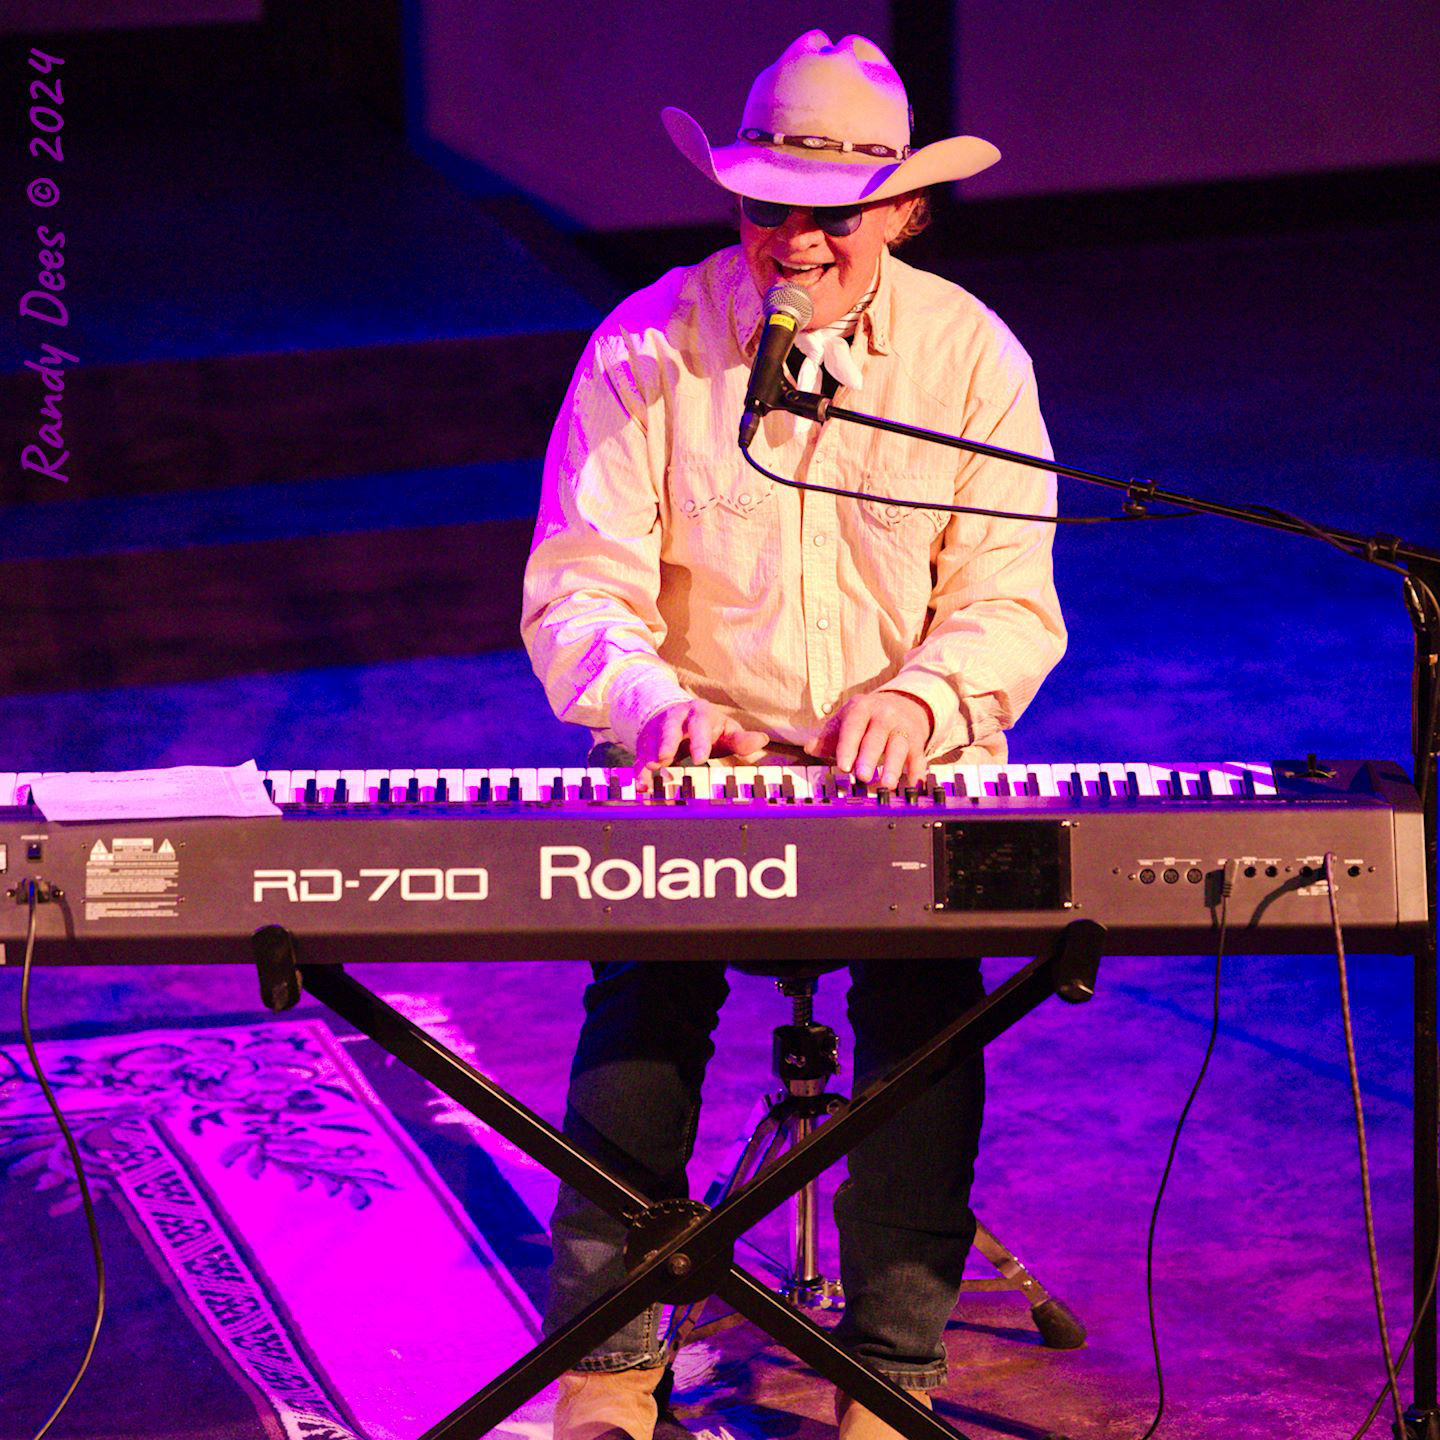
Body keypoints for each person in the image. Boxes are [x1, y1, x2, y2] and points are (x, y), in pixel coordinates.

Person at [521, 30, 1066, 1440]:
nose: (794, 242)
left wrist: (926, 697)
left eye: (829, 214)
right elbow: (580, 586)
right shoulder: (649, 340)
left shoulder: (969, 359)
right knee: (644, 991)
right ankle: (607, 1359)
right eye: (765, 209)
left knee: (930, 1008)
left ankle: (891, 1370)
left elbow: (1010, 606)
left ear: (903, 211)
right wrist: (652, 704)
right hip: (700, 760)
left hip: (902, 769)